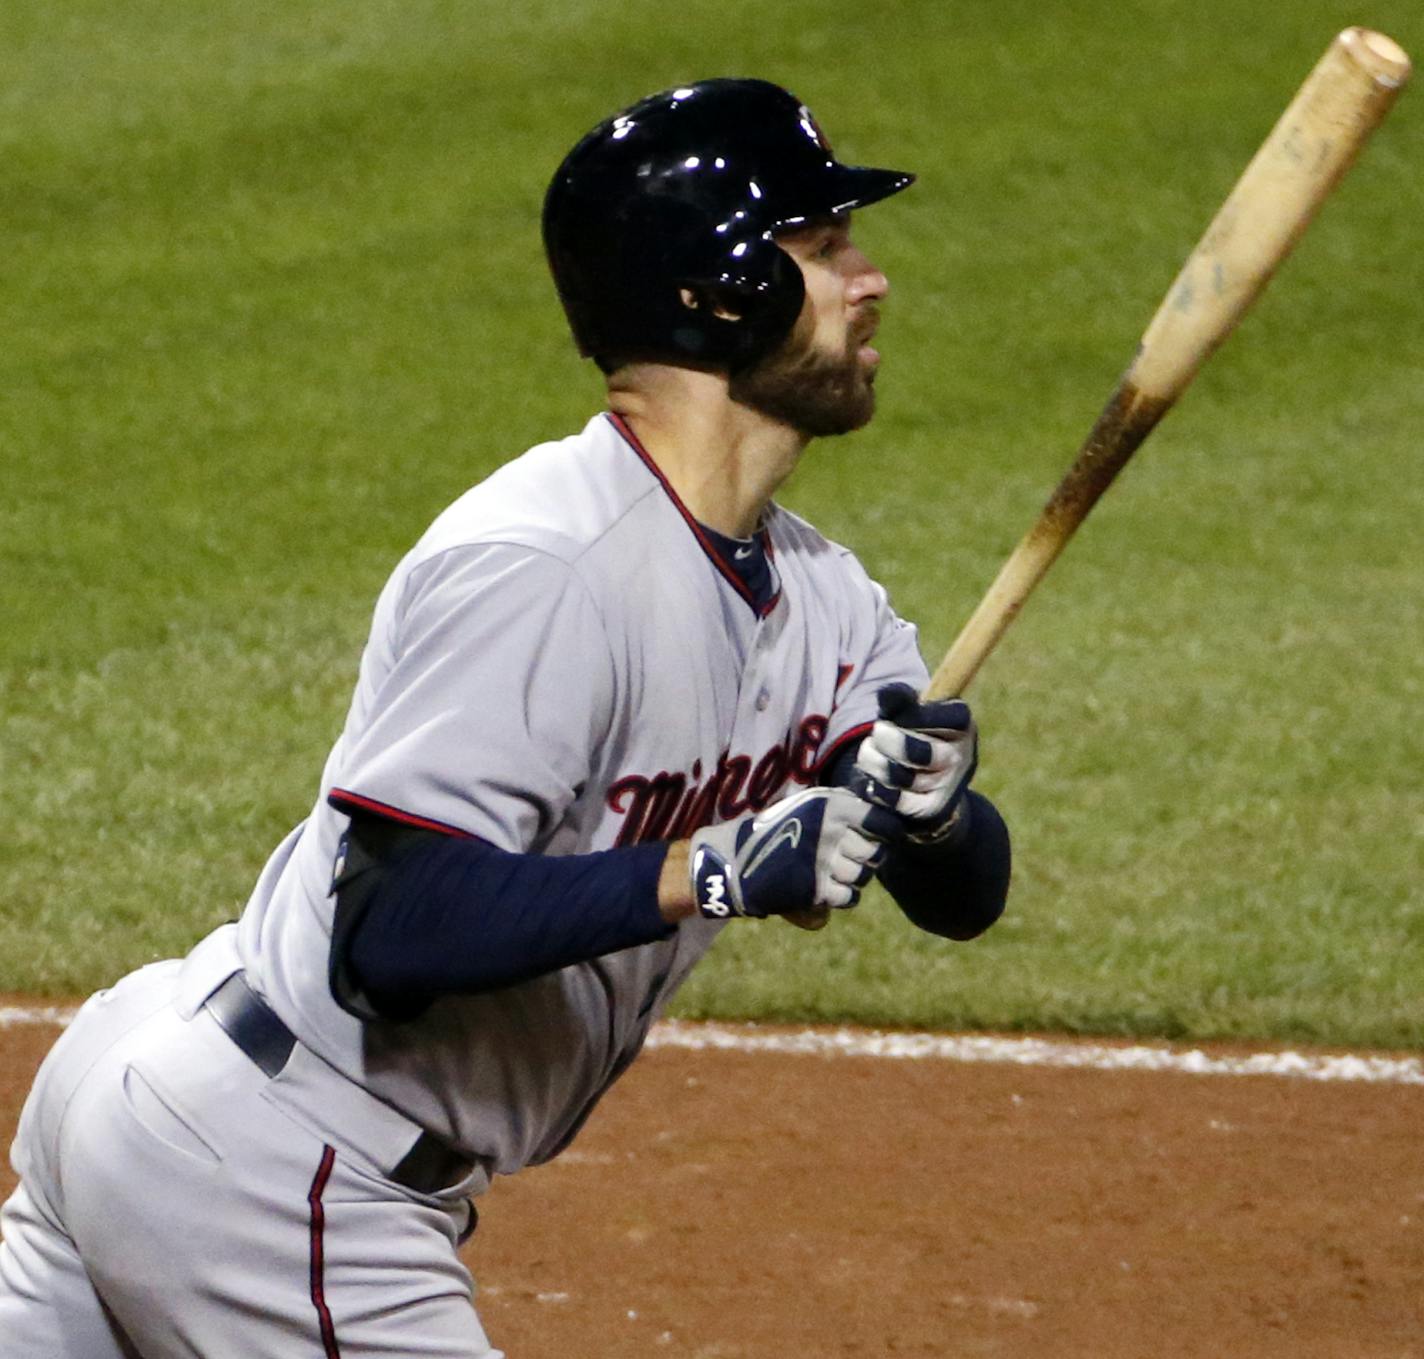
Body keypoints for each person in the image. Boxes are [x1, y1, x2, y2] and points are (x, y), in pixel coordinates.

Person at [0, 78, 1011, 1357]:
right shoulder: (546, 561)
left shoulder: (829, 601)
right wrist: (706, 870)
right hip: (273, 1171)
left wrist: (925, 812)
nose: (868, 281)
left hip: (194, 1090)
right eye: (820, 251)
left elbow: (963, 896)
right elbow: (392, 926)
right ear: (720, 291)